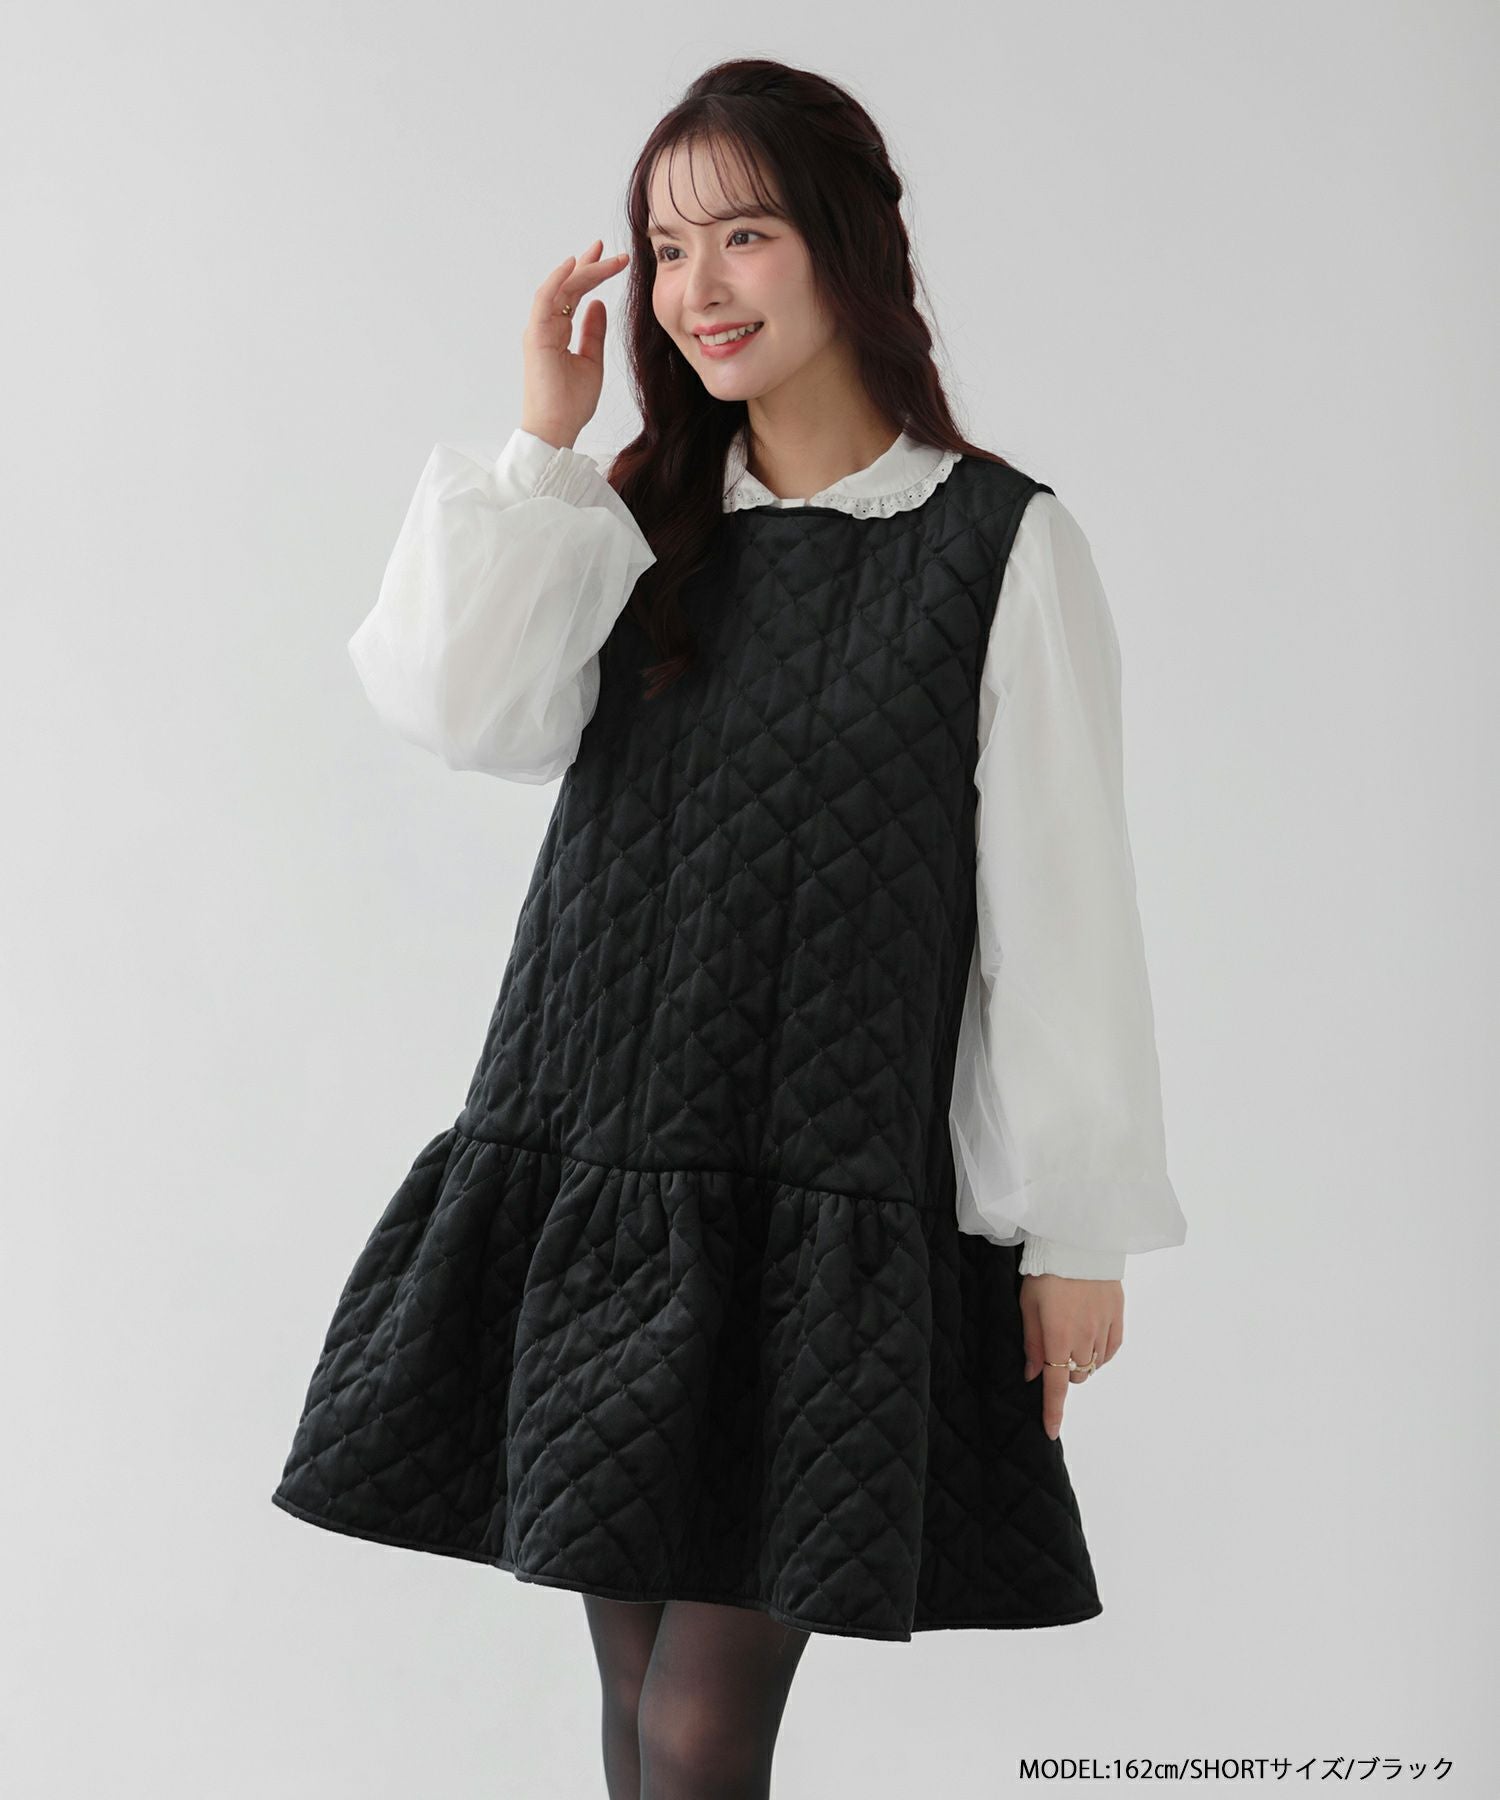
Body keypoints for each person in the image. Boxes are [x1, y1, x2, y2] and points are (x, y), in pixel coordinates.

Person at [271, 58, 1187, 1800]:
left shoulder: (997, 544)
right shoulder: (632, 521)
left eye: (744, 235)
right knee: (637, 1711)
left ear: (848, 245)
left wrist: (1073, 1224)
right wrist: (541, 441)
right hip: (595, 1170)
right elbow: (454, 703)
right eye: (670, 246)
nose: (698, 287)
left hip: (818, 1198)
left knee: (701, 1726)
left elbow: (1060, 902)